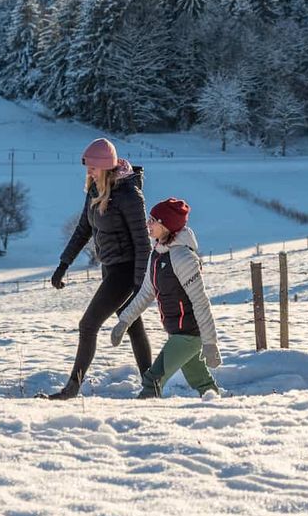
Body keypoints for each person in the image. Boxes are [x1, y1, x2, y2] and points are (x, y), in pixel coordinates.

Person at [41, 138, 153, 399]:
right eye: (87, 167)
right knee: (133, 325)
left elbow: (142, 243)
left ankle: (71, 388)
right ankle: (152, 387)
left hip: (126, 272)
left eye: (92, 167)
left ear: (105, 166)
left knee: (88, 325)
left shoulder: (129, 196)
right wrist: (63, 264)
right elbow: (83, 229)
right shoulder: (95, 191)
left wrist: (140, 285)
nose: (88, 171)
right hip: (110, 268)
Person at [110, 197, 221, 399]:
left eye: (153, 220)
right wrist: (124, 321)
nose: (148, 224)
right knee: (201, 381)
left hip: (190, 334)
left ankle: (141, 419)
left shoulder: (183, 258)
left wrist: (210, 342)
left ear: (166, 225)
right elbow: (145, 294)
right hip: (177, 332)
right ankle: (219, 408)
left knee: (153, 379)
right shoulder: (157, 255)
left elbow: (200, 302)